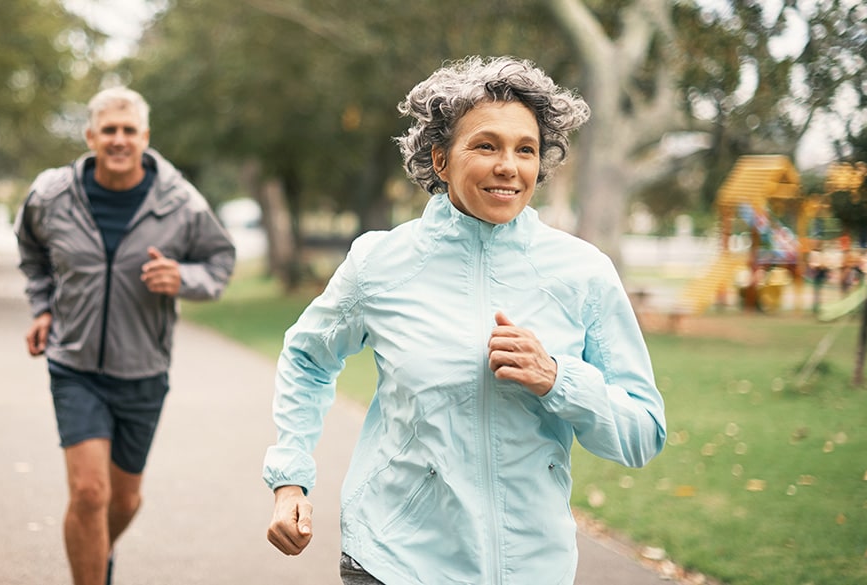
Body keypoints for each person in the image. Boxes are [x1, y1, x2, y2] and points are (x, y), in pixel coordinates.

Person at [263, 56, 666, 584]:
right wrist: (290, 479)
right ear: (441, 159)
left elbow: (643, 434)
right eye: (486, 145)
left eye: (526, 149)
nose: (509, 166)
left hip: (533, 569)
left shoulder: (583, 273)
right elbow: (307, 358)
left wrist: (558, 379)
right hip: (393, 559)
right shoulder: (381, 263)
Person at [15, 86, 235, 585]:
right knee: (90, 493)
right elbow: (31, 250)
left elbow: (220, 262)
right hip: (74, 366)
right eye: (109, 130)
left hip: (143, 371)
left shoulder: (180, 202)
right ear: (91, 135)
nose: (119, 139)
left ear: (145, 137)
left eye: (128, 130)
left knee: (125, 499)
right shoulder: (51, 195)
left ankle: (92, 554)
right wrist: (42, 307)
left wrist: (183, 279)